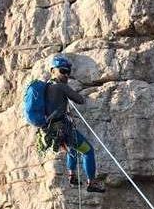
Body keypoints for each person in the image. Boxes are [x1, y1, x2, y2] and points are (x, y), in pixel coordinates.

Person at [40, 55, 105, 193]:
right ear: (53, 71)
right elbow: (80, 100)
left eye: (68, 72)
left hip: (53, 130)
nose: (66, 75)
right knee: (88, 151)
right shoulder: (61, 86)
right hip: (63, 129)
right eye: (62, 71)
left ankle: (72, 175)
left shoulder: (46, 87)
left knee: (73, 147)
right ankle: (91, 182)